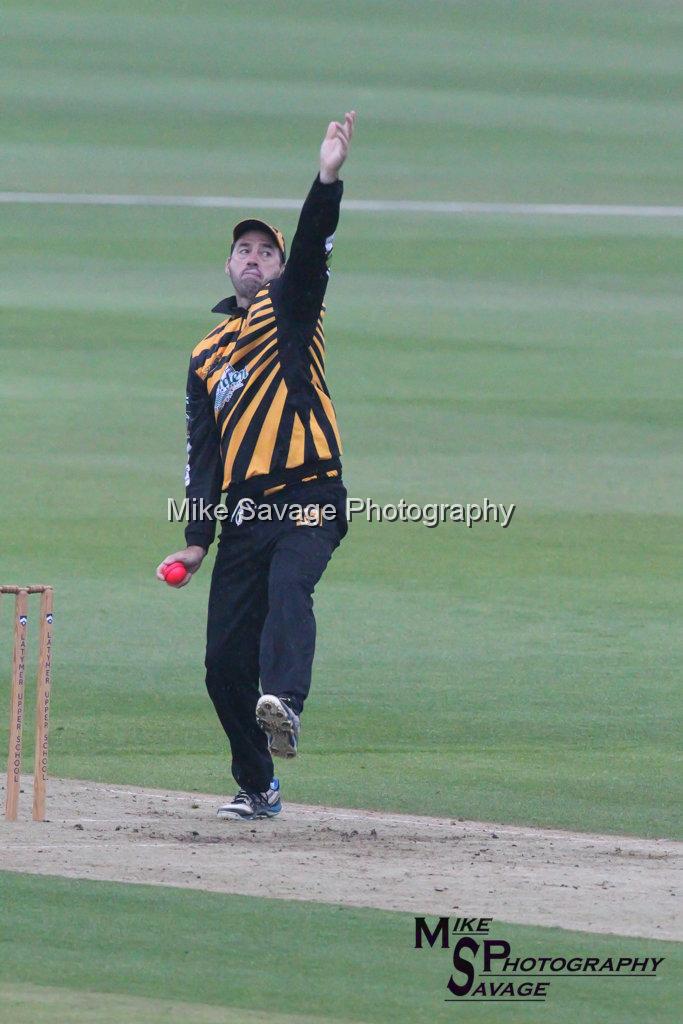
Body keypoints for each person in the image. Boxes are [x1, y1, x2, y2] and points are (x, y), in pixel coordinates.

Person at [156, 111, 356, 821]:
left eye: (265, 252)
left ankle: (285, 704)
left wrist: (325, 177)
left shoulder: (293, 310)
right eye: (243, 249)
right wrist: (196, 539)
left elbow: (312, 252)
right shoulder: (205, 356)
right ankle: (258, 780)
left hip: (310, 495)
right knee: (221, 668)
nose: (253, 258)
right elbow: (199, 454)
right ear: (227, 263)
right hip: (244, 514)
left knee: (289, 586)